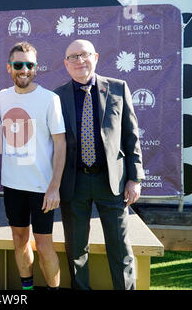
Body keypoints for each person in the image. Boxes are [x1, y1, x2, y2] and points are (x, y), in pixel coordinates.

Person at [54, 39, 145, 290]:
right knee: (76, 249)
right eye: (72, 57)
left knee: (120, 246)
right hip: (74, 183)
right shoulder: (56, 97)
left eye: (83, 55)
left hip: (112, 182)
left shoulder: (117, 88)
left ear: (95, 57)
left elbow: (131, 136)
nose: (79, 61)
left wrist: (135, 178)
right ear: (65, 64)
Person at [0, 42, 66, 290]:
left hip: (42, 188)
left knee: (45, 244)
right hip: (13, 185)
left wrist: (54, 187)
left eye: (29, 65)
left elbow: (61, 145)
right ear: (9, 67)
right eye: (18, 64)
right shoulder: (1, 98)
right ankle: (27, 289)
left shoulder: (50, 99)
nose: (24, 69)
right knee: (19, 240)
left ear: (36, 68)